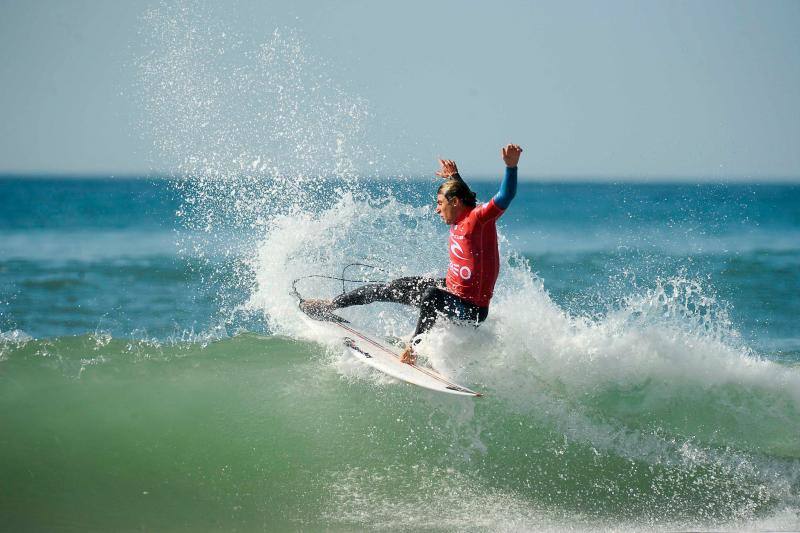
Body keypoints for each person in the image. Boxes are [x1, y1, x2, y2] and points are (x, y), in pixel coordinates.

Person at [302, 144, 522, 364]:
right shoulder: (460, 213)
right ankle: (330, 305)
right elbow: (465, 195)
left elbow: (505, 195)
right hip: (451, 290)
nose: (437, 209)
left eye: (440, 203)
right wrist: (454, 176)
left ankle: (413, 349)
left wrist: (511, 167)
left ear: (454, 202)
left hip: (471, 309)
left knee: (430, 295)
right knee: (393, 287)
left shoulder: (479, 219)